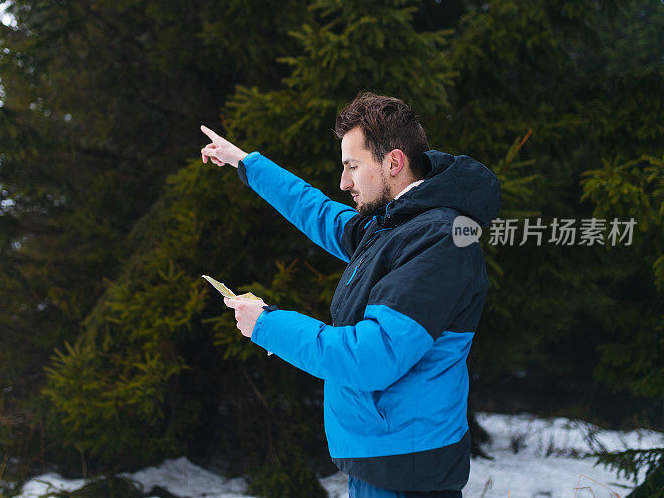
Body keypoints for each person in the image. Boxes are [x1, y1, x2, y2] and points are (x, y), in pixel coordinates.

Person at [199, 91, 501, 497]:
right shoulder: (394, 224)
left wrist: (268, 325)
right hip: (384, 457)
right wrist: (247, 163)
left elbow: (371, 357)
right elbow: (319, 212)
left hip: (405, 469)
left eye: (352, 166)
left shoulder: (439, 241)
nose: (343, 182)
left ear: (393, 163)